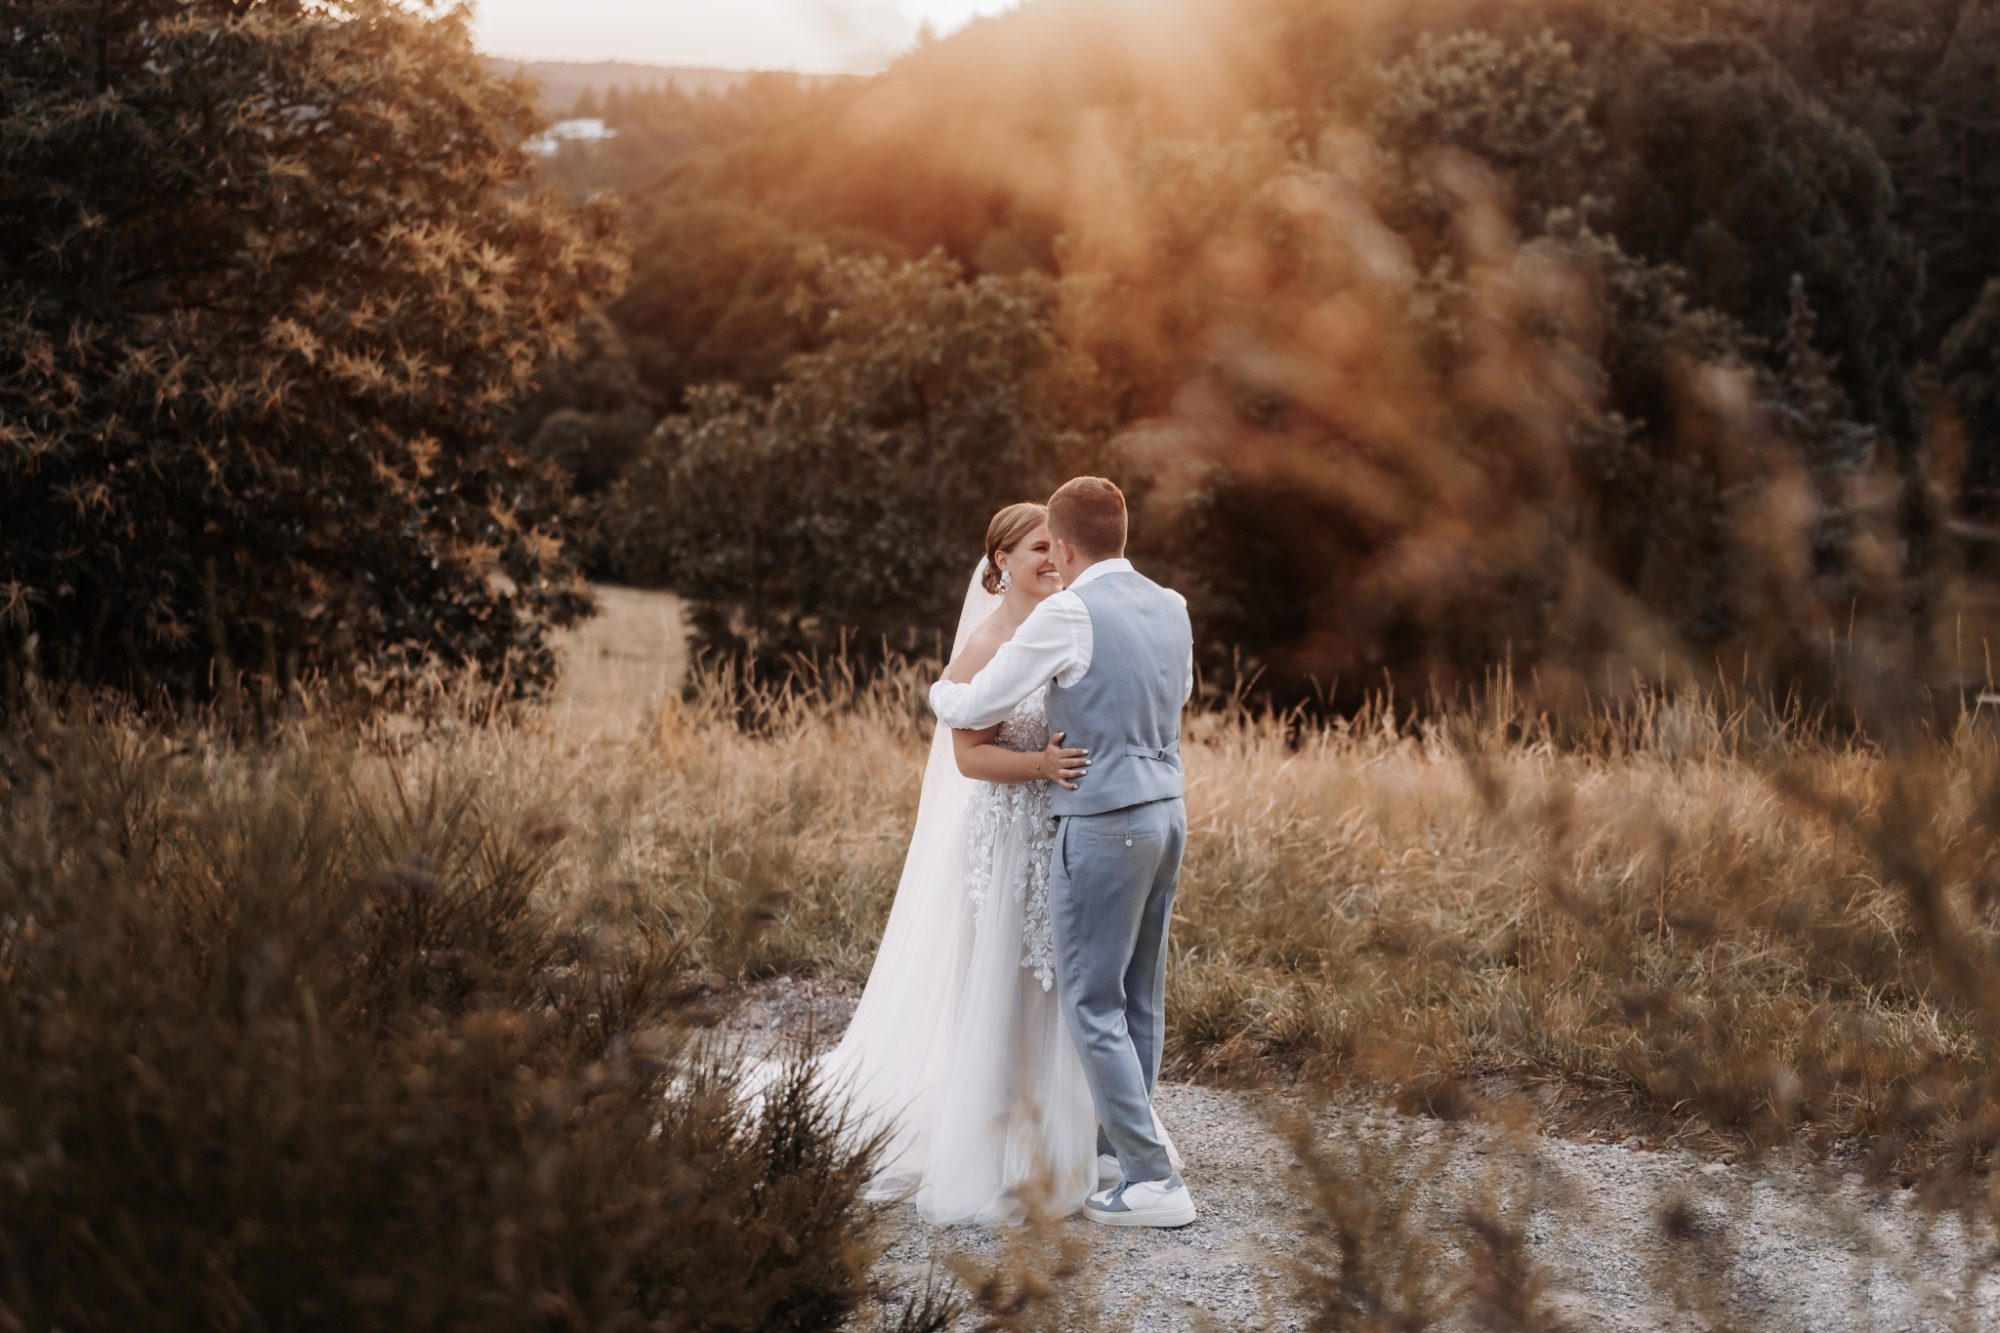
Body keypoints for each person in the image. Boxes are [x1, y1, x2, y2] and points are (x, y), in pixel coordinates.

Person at [929, 477, 1198, 1229]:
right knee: (1140, 993)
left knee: (1088, 996)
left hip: (1104, 819)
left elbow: (979, 704)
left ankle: (1150, 1179)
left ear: (1068, 544)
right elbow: (1172, 696)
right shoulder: (1172, 606)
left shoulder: (1072, 614)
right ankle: (1118, 1148)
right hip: (1167, 812)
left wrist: (938, 698)